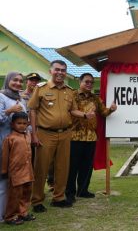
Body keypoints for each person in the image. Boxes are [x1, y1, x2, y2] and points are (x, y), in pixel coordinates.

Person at [28, 60, 94, 213]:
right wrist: (34, 133)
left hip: (65, 134)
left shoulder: (69, 91)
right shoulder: (41, 88)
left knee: (62, 168)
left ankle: (59, 198)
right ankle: (37, 200)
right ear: (50, 71)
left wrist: (85, 115)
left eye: (63, 70)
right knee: (41, 168)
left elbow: (73, 111)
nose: (60, 72)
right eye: (57, 69)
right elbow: (32, 110)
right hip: (45, 133)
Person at [65, 73, 117, 203]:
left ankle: (83, 191)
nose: (89, 84)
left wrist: (110, 109)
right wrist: (84, 115)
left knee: (86, 166)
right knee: (72, 167)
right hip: (75, 136)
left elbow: (103, 112)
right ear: (80, 82)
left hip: (91, 137)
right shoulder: (72, 96)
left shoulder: (95, 98)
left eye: (91, 82)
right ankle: (69, 193)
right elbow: (69, 111)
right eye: (86, 82)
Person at [0, 72, 26, 223]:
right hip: (3, 144)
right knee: (3, 181)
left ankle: (13, 212)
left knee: (16, 181)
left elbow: (23, 121)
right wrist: (10, 110)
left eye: (20, 81)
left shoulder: (19, 99)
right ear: (8, 80)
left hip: (18, 148)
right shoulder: (1, 96)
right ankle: (2, 216)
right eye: (14, 80)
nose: (18, 83)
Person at [1, 112, 35, 225]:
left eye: (24, 123)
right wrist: (4, 171)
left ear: (28, 124)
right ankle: (10, 216)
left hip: (28, 171)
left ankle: (23, 212)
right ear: (12, 124)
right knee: (15, 195)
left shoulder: (28, 135)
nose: (22, 125)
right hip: (16, 173)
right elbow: (5, 156)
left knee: (26, 193)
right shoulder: (10, 139)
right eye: (19, 123)